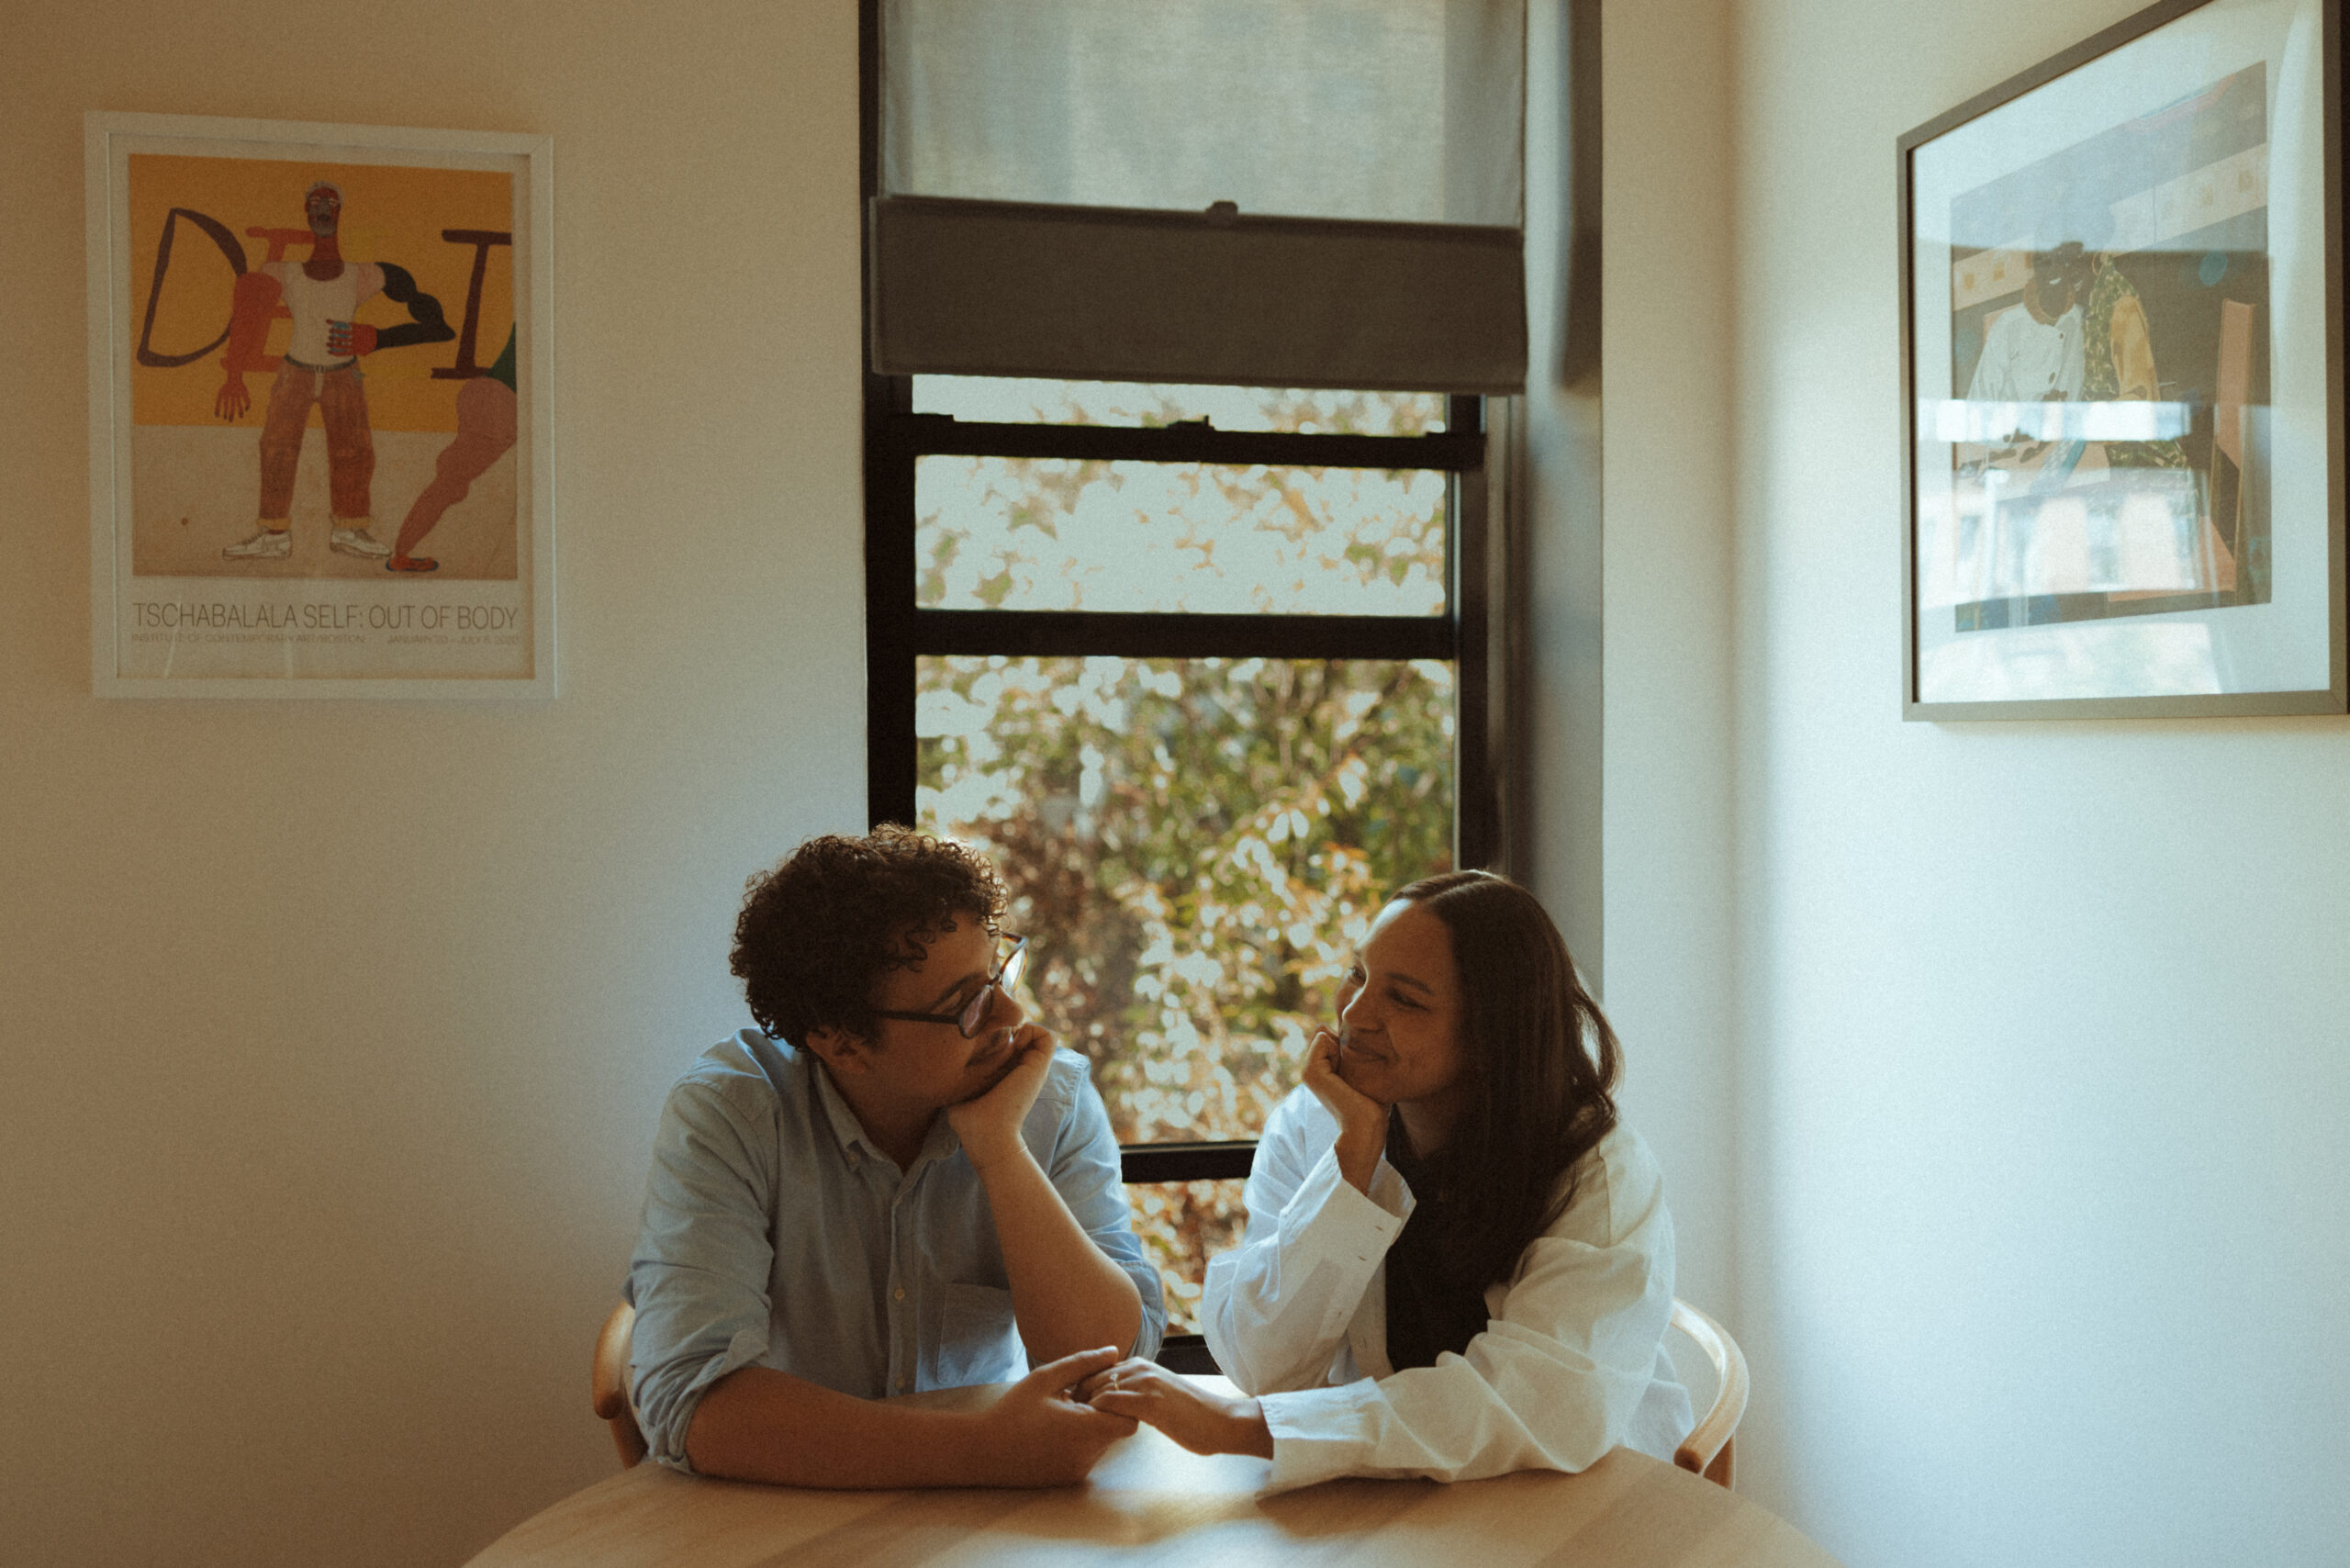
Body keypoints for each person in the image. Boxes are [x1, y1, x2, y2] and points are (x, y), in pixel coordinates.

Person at [1080, 869, 1692, 1493]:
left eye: (1404, 999)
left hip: (1583, 1500)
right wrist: (1351, 1168)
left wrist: (1249, 1429)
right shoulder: (1319, 1127)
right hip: (1399, 1502)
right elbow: (1265, 1367)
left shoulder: (1596, 1173)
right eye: (1358, 973)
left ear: (1489, 1036)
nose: (1355, 1012)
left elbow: (1537, 1405)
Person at [626, 826, 1165, 1487]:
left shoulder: (1048, 1100)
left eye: (999, 973)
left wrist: (999, 1151)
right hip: (780, 1511)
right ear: (841, 1044)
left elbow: (1108, 1361)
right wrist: (978, 1450)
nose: (1011, 1013)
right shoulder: (732, 1113)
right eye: (966, 1005)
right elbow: (694, 1404)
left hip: (982, 1520)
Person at [213, 179, 453, 563]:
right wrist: (233, 376)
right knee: (276, 447)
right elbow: (247, 317)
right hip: (295, 371)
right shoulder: (282, 271)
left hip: (345, 373)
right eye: (314, 202)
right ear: (306, 213)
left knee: (355, 450)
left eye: (329, 202)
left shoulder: (364, 275)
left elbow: (439, 326)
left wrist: (378, 337)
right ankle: (273, 532)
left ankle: (349, 530)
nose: (322, 208)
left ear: (339, 211)